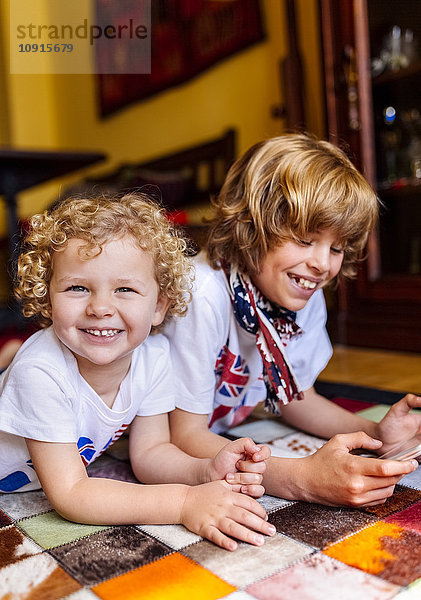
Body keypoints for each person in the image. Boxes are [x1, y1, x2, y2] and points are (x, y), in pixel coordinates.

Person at [0, 193, 276, 552]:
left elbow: (151, 453)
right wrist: (183, 502)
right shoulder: (40, 371)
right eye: (77, 288)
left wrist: (205, 471)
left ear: (159, 306)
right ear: (49, 299)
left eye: (125, 289)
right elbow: (71, 494)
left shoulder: (154, 356)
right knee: (21, 363)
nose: (100, 307)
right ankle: (10, 358)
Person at [166, 133, 421, 507]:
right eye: (304, 239)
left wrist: (376, 433)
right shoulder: (201, 294)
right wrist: (300, 478)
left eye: (337, 248)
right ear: (251, 227)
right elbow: (181, 436)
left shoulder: (303, 294)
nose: (322, 264)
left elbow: (296, 398)